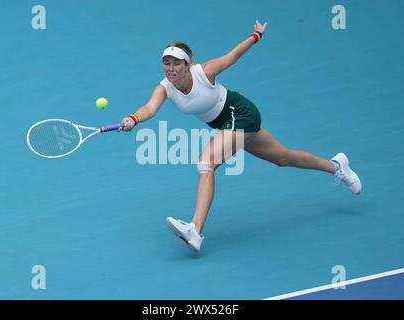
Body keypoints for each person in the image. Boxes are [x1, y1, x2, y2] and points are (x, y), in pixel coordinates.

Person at [119, 20, 362, 252]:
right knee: (283, 158)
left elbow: (233, 55)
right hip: (226, 123)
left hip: (240, 113)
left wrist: (256, 36)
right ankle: (336, 166)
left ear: (187, 64)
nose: (170, 69)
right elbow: (149, 108)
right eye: (166, 63)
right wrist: (133, 118)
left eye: (175, 63)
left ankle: (195, 229)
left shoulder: (204, 72)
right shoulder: (165, 87)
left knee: (206, 162)